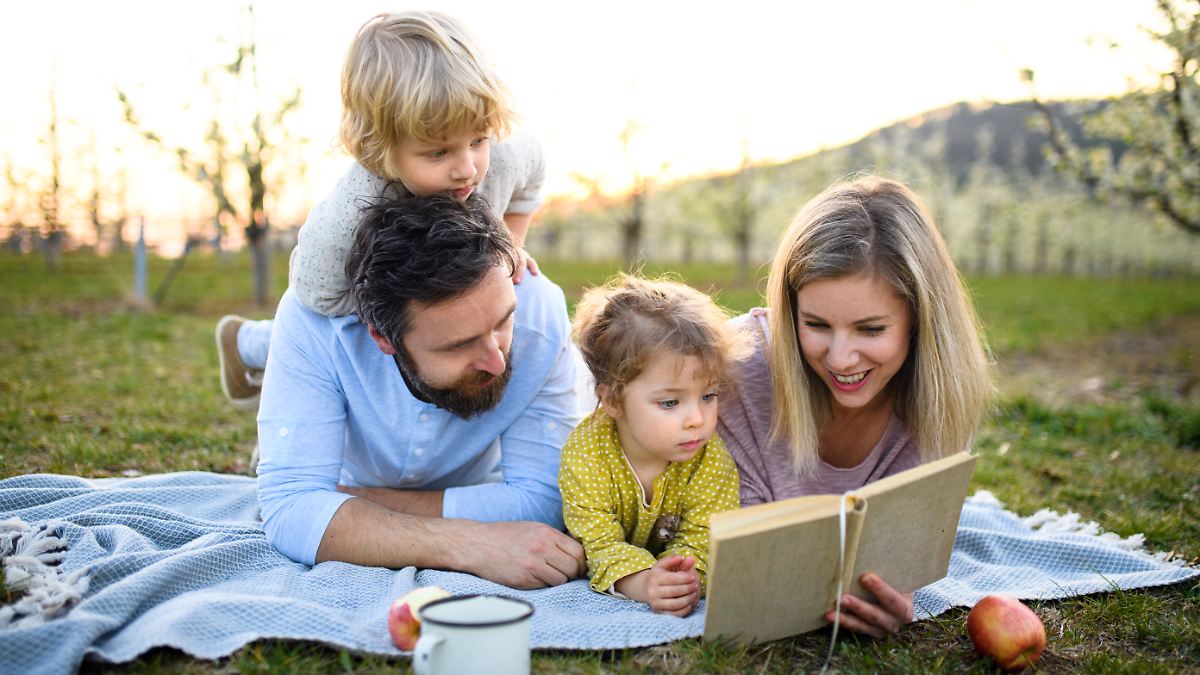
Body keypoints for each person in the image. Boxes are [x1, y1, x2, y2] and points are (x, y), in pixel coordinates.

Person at [216, 10, 545, 411]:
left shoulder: (505, 155)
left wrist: (510, 242)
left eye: (477, 140)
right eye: (438, 152)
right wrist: (401, 311)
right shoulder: (349, 216)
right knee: (358, 338)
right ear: (380, 149)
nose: (467, 167)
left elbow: (530, 184)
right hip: (348, 299)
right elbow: (316, 298)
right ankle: (250, 346)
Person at [255, 193, 586, 589]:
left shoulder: (541, 309)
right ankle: (251, 343)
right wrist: (470, 543)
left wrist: (346, 503)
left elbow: (544, 500)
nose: (497, 362)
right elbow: (291, 510)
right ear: (382, 336)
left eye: (503, 322)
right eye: (458, 345)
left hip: (356, 482)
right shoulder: (312, 321)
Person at [716, 176, 992, 637]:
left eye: (870, 330)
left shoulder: (940, 399)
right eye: (817, 324)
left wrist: (901, 597)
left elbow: (905, 558)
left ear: (920, 321)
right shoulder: (735, 369)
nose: (841, 359)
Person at [559, 274, 749, 617]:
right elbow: (598, 543)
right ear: (612, 400)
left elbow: (706, 534)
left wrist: (686, 577)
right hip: (616, 559)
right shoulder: (586, 456)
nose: (696, 419)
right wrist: (645, 583)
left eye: (708, 396)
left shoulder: (709, 459)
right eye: (670, 403)